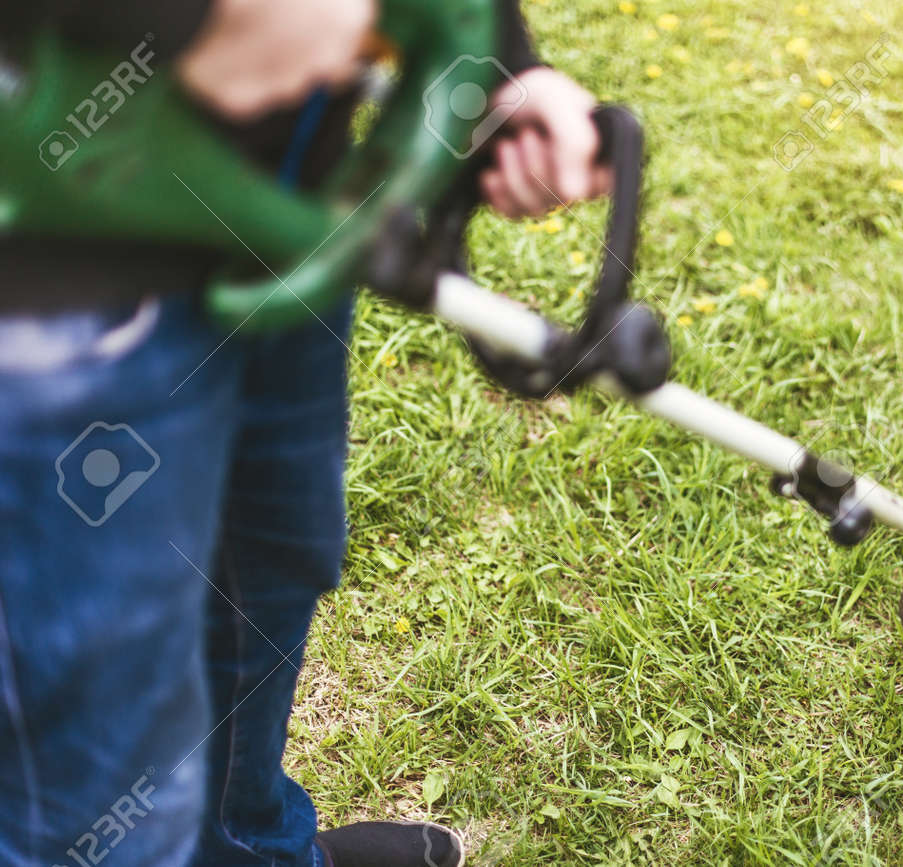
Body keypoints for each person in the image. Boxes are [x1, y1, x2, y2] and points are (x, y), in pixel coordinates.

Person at [0, 1, 609, 865]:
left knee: (261, 579)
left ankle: (247, 849)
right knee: (87, 769)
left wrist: (494, 62)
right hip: (56, 295)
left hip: (285, 211)